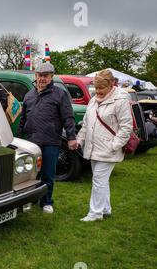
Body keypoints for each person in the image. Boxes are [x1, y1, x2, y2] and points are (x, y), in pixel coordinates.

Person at [17, 62, 77, 214]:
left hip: (51, 141)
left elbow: (68, 117)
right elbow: (23, 118)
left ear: (51, 77)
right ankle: (31, 199)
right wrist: (18, 139)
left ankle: (47, 202)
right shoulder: (29, 95)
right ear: (35, 76)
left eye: (45, 76)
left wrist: (71, 137)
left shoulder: (59, 94)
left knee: (48, 174)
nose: (42, 79)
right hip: (31, 142)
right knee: (30, 174)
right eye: (39, 75)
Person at [76, 69, 133, 222]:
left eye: (101, 88)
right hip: (94, 148)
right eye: (96, 88)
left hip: (108, 149)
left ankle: (95, 213)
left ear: (111, 86)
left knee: (98, 181)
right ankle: (105, 209)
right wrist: (79, 140)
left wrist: (114, 145)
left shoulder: (120, 100)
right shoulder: (94, 100)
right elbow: (87, 123)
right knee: (101, 180)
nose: (98, 91)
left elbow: (126, 127)